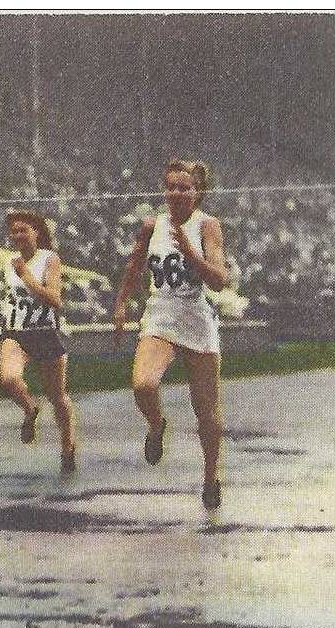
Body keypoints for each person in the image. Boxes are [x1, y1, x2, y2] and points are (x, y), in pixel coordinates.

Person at [112, 159, 229, 509]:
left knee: (206, 411)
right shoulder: (152, 226)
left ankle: (211, 476)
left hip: (195, 317)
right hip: (160, 314)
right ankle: (156, 424)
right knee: (143, 385)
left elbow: (219, 280)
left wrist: (191, 252)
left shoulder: (208, 226)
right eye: (171, 187)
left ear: (198, 192)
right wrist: (120, 306)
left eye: (185, 187)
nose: (177, 193)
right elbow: (134, 268)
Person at [0, 210, 76, 472]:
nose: (18, 235)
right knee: (8, 379)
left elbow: (55, 300)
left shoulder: (49, 260)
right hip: (16, 332)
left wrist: (27, 277)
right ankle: (30, 409)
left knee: (57, 396)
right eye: (14, 231)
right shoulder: (9, 261)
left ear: (37, 233)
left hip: (44, 333)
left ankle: (68, 445)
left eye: (23, 230)